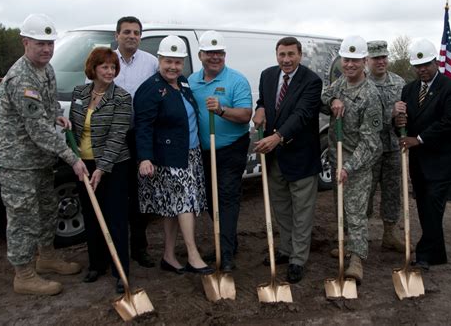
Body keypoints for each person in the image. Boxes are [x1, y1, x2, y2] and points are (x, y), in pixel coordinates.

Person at [0, 14, 88, 296]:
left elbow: (47, 109)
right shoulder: (21, 78)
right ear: (25, 42)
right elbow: (37, 130)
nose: (47, 49)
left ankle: (46, 257)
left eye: (50, 44)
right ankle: (23, 275)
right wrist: (72, 158)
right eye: (40, 44)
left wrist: (60, 117)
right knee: (23, 218)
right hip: (17, 162)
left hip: (40, 160)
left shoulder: (45, 70)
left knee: (47, 209)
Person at [134, 35, 213, 275]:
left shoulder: (184, 84)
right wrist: (145, 157)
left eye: (178, 62)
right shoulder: (150, 89)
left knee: (173, 208)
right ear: (159, 59)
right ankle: (192, 254)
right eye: (168, 61)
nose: (173, 67)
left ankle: (168, 256)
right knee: (185, 203)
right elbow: (143, 126)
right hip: (168, 157)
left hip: (190, 155)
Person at [252, 36, 322, 284]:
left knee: (302, 211)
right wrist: (259, 109)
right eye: (282, 54)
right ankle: (285, 248)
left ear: (300, 55)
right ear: (276, 55)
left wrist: (277, 137)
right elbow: (264, 102)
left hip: (301, 156)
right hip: (275, 159)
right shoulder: (267, 75)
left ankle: (298, 259)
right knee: (281, 206)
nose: (286, 60)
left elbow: (302, 115)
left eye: (291, 54)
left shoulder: (311, 81)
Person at [394, 38, 451, 270]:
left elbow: (448, 122)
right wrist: (399, 121)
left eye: (426, 64)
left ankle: (425, 254)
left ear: (435, 61)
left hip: (443, 158)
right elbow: (403, 125)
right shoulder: (409, 89)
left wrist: (420, 139)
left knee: (433, 203)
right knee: (424, 205)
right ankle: (436, 253)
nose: (422, 69)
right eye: (418, 65)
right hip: (418, 160)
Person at [188, 30, 252, 272]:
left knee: (226, 197)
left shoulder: (236, 80)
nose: (215, 57)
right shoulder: (192, 81)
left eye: (220, 53)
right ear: (200, 55)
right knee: (210, 200)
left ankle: (225, 255)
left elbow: (245, 115)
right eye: (210, 53)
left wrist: (222, 110)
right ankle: (228, 240)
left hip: (231, 148)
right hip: (203, 151)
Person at [70, 47, 132, 293]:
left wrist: (102, 168)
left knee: (115, 218)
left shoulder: (122, 97)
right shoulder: (79, 93)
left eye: (113, 67)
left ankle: (120, 270)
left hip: (114, 166)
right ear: (93, 69)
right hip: (83, 166)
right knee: (91, 216)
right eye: (104, 66)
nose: (110, 71)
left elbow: (118, 135)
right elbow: (74, 130)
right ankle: (96, 264)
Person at [321, 35, 383, 283]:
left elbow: (370, 142)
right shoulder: (340, 84)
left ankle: (357, 259)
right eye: (347, 60)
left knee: (356, 213)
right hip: (338, 157)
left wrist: (349, 166)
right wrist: (333, 100)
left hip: (357, 162)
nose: (350, 65)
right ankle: (345, 244)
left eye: (355, 61)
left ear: (365, 61)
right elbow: (323, 97)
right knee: (341, 209)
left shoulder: (370, 95)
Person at [114, 16, 159, 268]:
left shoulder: (151, 63)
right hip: (114, 138)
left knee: (141, 195)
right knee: (118, 195)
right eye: (127, 32)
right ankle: (117, 249)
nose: (132, 36)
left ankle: (140, 248)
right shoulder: (105, 60)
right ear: (117, 35)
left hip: (141, 136)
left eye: (136, 32)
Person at [366, 40, 405, 253]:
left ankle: (389, 235)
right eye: (376, 58)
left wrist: (403, 120)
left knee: (392, 192)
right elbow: (361, 117)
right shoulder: (361, 83)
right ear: (367, 60)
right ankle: (358, 238)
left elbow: (408, 113)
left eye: (384, 57)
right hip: (369, 151)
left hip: (392, 148)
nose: (381, 61)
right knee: (365, 194)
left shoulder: (399, 83)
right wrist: (389, 115)